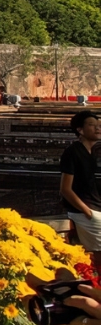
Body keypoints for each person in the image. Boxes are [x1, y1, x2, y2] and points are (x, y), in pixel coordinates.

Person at [60, 110, 101, 265]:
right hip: (87, 212)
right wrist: (87, 211)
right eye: (92, 125)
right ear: (80, 130)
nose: (97, 128)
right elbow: (65, 188)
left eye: (99, 125)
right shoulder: (73, 152)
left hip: (96, 208)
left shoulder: (93, 152)